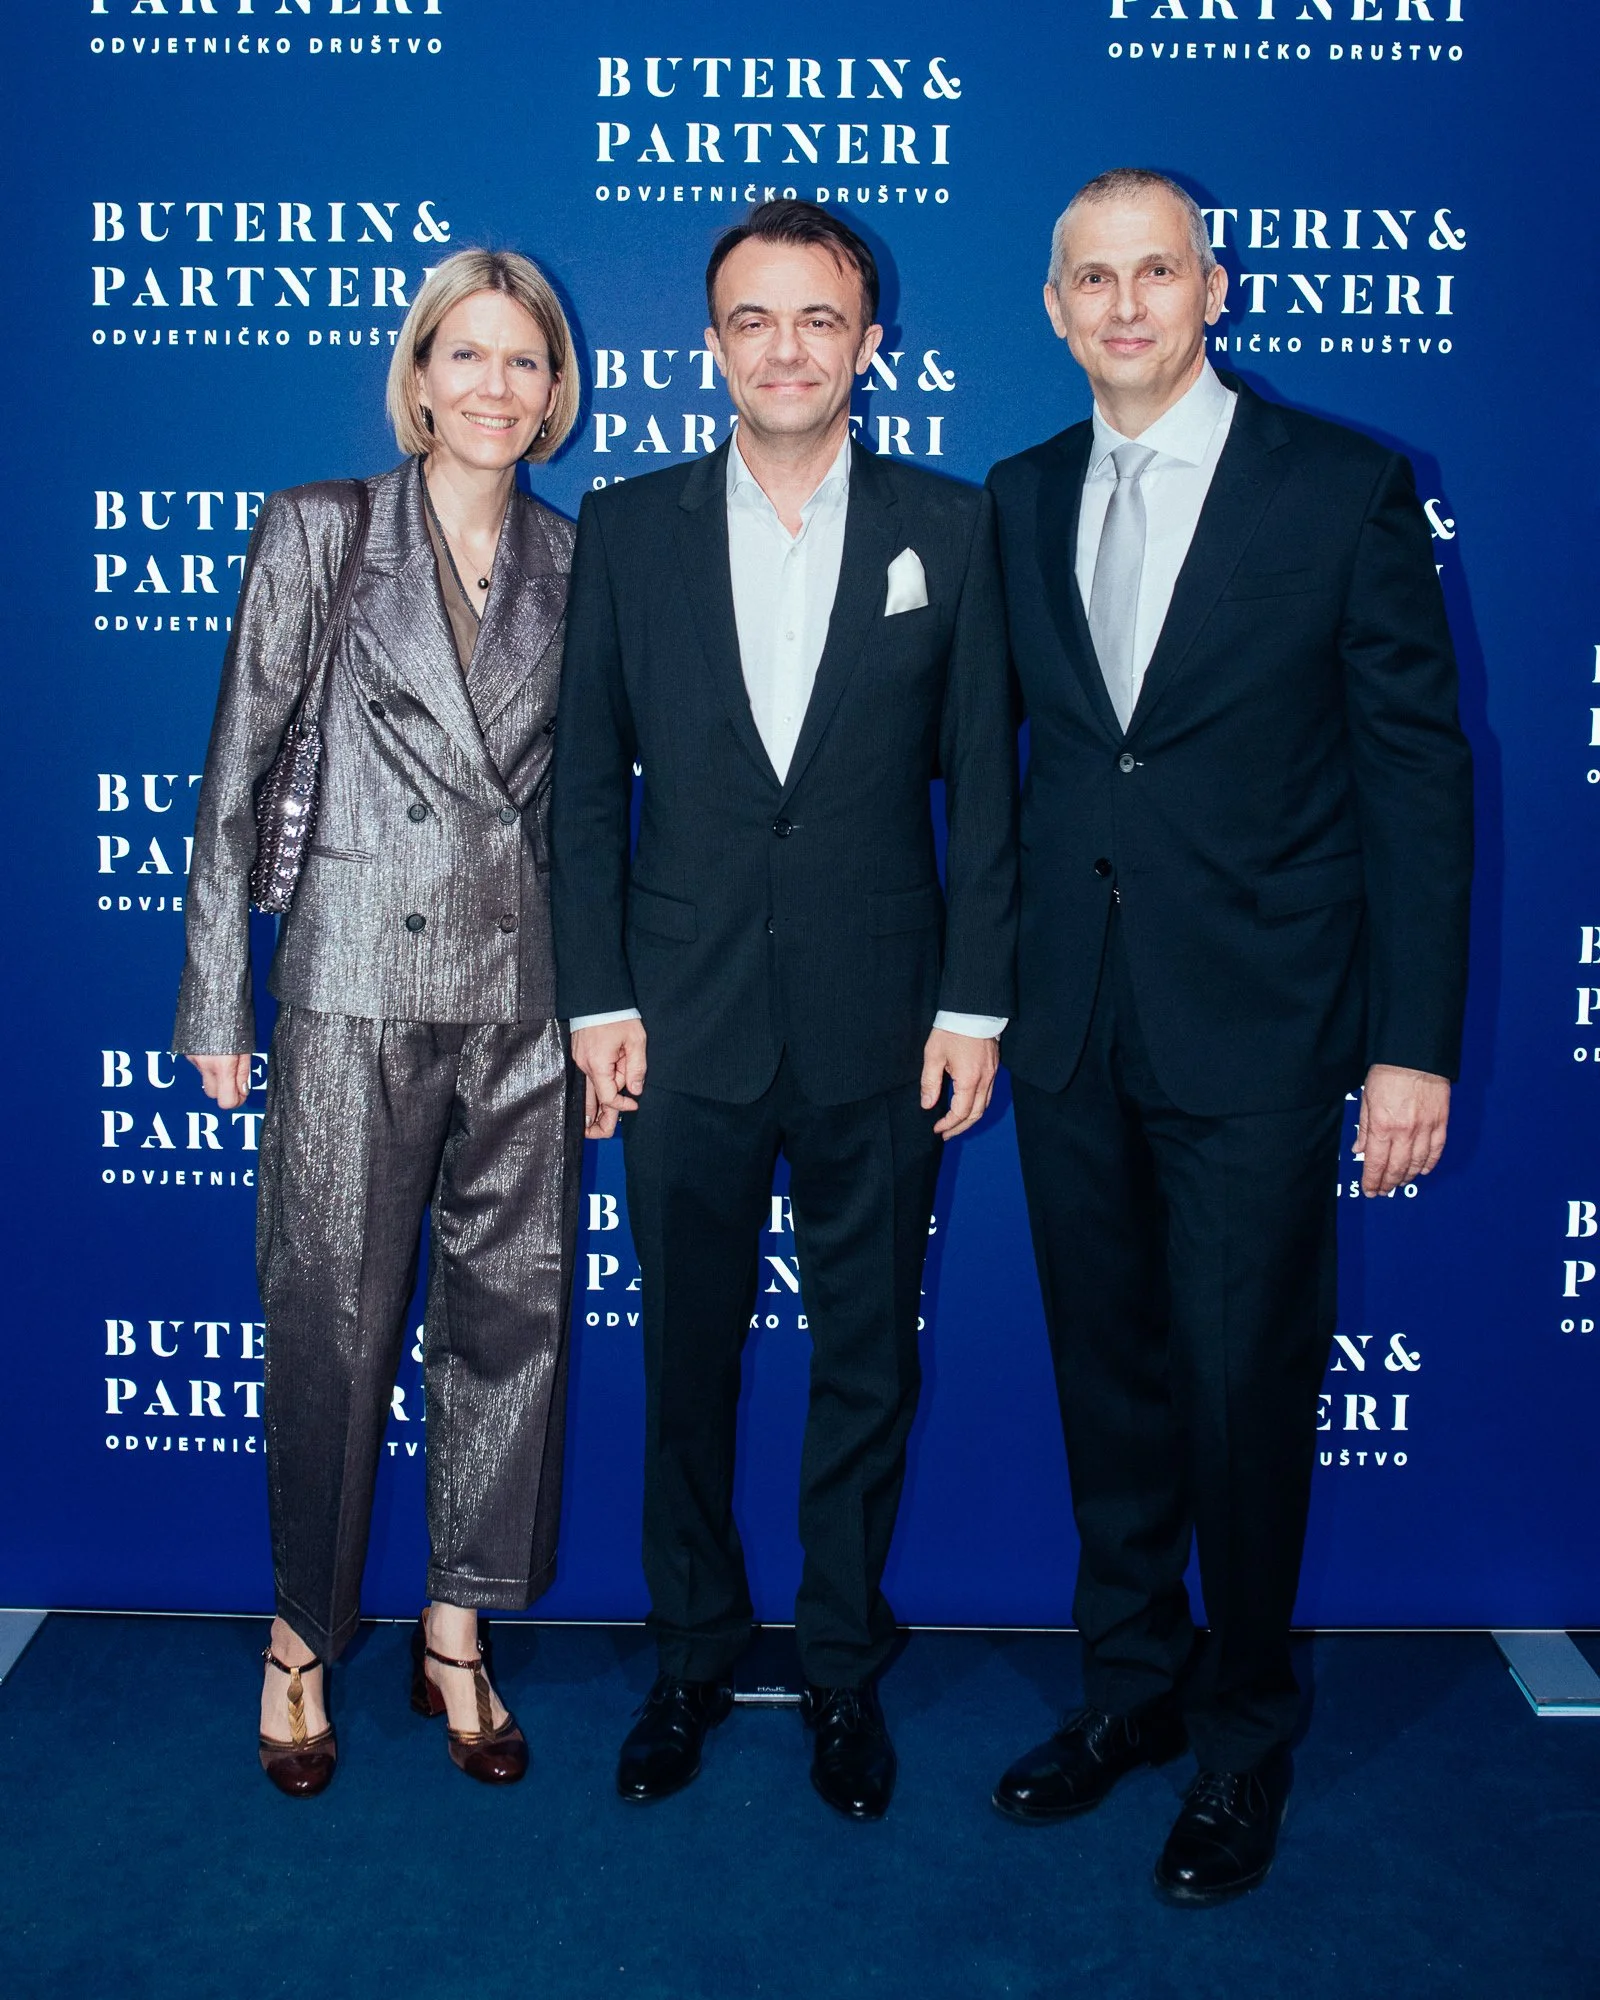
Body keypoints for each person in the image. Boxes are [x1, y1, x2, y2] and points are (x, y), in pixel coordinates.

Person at [985, 170, 1472, 1902]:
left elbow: (1418, 779)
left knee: (1244, 1394)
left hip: (1265, 1033)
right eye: (1092, 279)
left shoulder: (1339, 488)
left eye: (1157, 273)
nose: (1125, 305)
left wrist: (1410, 1044)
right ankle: (1130, 1693)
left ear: (1214, 289)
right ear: (1055, 307)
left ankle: (1245, 1734)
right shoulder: (1020, 493)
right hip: (1068, 1028)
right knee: (1107, 1388)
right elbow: (1032, 772)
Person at [550, 201, 1016, 1821]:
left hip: (886, 1022)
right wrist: (595, 996)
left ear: (870, 342)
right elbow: (582, 800)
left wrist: (975, 1007)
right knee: (684, 1359)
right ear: (711, 348)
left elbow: (994, 802)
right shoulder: (626, 527)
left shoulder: (955, 532)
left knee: (865, 1362)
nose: (788, 347)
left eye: (821, 319)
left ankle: (838, 1668)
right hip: (673, 1024)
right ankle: (688, 1656)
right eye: (755, 320)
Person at [174, 248, 586, 1797]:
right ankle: (299, 1637)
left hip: (524, 994)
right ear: (418, 381)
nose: (494, 386)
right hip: (348, 979)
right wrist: (219, 988)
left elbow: (594, 818)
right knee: (330, 1328)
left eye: (523, 361)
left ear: (557, 392)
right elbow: (235, 773)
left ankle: (456, 1631)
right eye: (465, 357)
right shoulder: (321, 530)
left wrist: (605, 1015)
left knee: (514, 1325)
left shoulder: (579, 559)